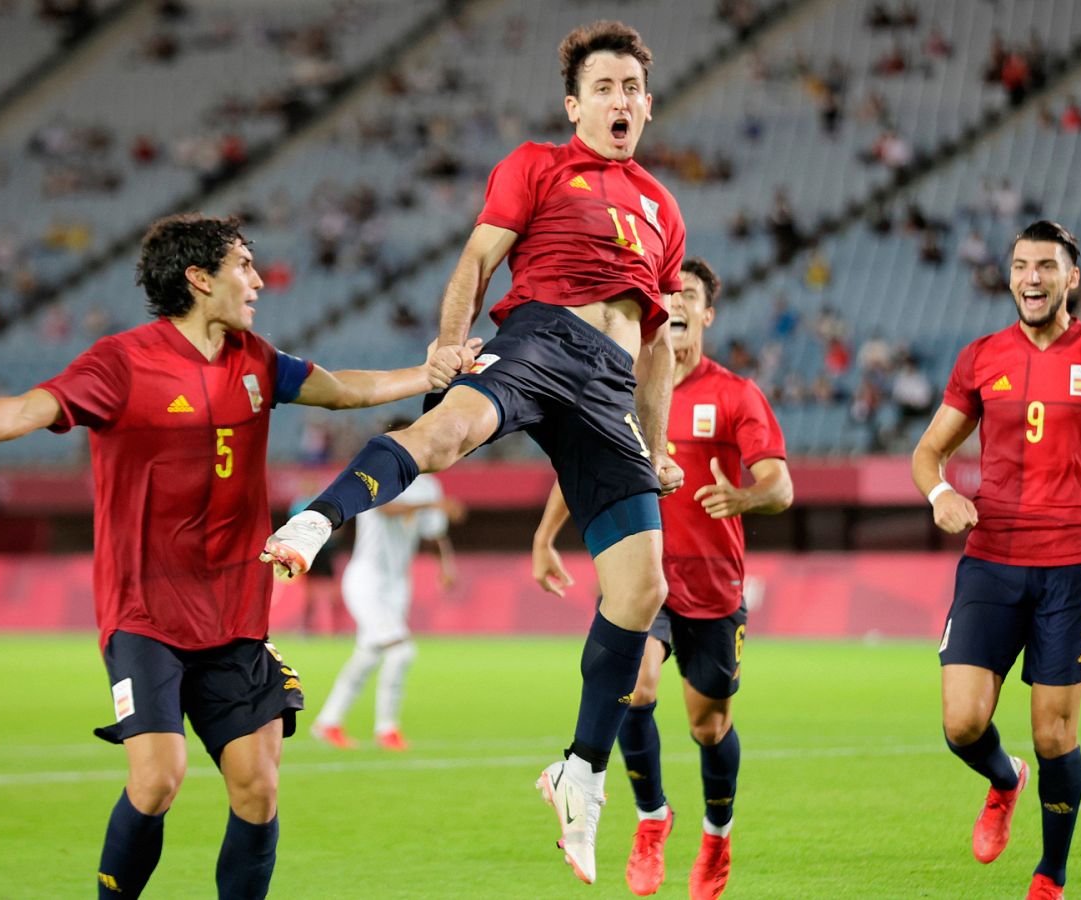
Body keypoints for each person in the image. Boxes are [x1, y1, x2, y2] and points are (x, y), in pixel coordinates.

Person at [0, 214, 447, 899]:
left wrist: (426, 373)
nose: (257, 281)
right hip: (146, 612)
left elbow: (347, 388)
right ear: (199, 279)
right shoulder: (121, 363)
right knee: (157, 777)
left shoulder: (256, 359)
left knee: (258, 789)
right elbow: (29, 408)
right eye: (243, 267)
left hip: (235, 610)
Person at [259, 20, 686, 885]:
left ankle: (582, 774)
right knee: (445, 437)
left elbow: (660, 347)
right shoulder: (535, 163)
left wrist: (658, 443)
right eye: (603, 88)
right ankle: (314, 521)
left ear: (648, 103)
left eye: (632, 89)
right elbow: (477, 257)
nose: (620, 101)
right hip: (541, 337)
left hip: (609, 388)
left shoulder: (664, 209)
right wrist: (451, 343)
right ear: (576, 104)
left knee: (644, 589)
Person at [912, 220, 1081, 900]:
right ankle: (1005, 781)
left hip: (1075, 568)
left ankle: (1050, 876)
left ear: (1072, 278)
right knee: (962, 722)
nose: (1031, 277)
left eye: (1045, 266)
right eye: (1020, 265)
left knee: (1054, 733)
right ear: (1009, 275)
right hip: (992, 559)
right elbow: (927, 451)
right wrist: (941, 492)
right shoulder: (979, 357)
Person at [532, 257, 792, 899]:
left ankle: (717, 832)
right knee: (637, 689)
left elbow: (781, 486)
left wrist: (743, 498)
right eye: (668, 293)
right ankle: (651, 820)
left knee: (709, 726)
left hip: (715, 587)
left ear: (706, 313)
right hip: (643, 576)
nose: (675, 302)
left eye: (690, 295)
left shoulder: (736, 395)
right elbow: (590, 468)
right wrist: (544, 536)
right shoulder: (624, 386)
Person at [310, 418, 464, 751]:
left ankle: (327, 722)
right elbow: (387, 509)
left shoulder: (427, 484)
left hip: (397, 584)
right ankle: (387, 729)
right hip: (366, 579)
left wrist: (446, 564)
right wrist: (432, 505)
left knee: (368, 654)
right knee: (402, 650)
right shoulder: (377, 473)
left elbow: (434, 532)